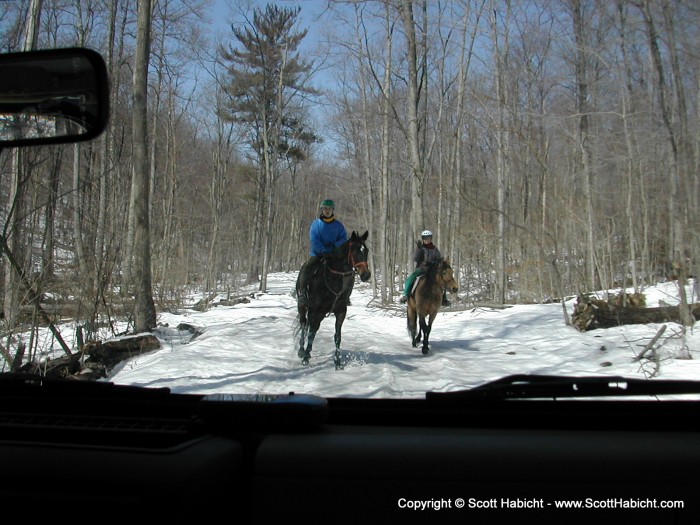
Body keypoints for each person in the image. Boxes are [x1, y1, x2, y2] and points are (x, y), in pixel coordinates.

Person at [296, 199, 348, 302]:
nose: (327, 211)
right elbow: (314, 240)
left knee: (347, 270)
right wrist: (323, 251)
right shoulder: (316, 225)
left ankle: (345, 296)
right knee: (306, 268)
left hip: (334, 254)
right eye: (325, 208)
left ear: (333, 210)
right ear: (321, 210)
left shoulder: (339, 226)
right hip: (318, 254)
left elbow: (343, 238)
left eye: (329, 209)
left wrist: (335, 248)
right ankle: (302, 292)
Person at [399, 230, 450, 306]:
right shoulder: (421, 248)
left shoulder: (435, 249)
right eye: (425, 238)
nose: (427, 240)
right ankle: (405, 295)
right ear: (423, 239)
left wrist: (440, 261)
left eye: (428, 238)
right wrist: (418, 249)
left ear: (431, 238)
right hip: (422, 269)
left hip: (433, 269)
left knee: (442, 279)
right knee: (410, 278)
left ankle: (444, 298)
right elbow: (415, 258)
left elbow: (438, 258)